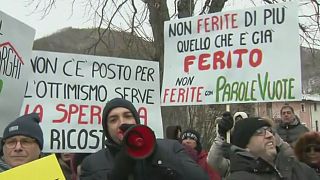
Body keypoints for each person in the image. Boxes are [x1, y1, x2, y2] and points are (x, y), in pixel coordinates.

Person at [80, 98, 209, 180]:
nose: (122, 123)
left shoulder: (172, 147)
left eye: (127, 116)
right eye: (113, 120)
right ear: (106, 129)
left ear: (136, 121)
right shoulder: (91, 164)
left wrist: (154, 152)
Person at [227, 117, 318, 180]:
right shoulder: (239, 178)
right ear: (245, 145)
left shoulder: (299, 169)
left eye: (269, 131)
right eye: (260, 132)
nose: (270, 135)